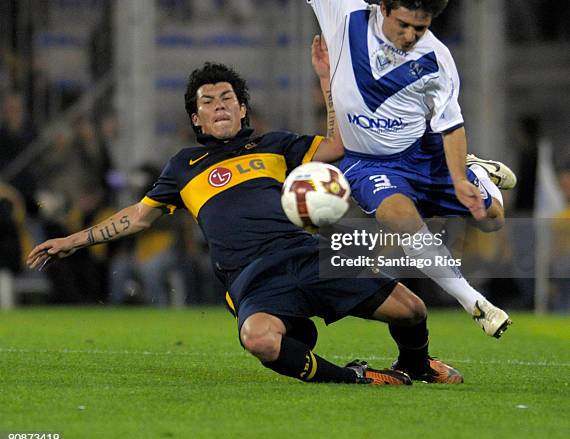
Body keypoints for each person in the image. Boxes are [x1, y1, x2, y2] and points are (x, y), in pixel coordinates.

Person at [28, 39, 463, 385]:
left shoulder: (274, 145)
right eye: (207, 101)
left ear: (241, 109)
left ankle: (418, 365)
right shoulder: (183, 166)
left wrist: (327, 84)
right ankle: (355, 377)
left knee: (412, 309)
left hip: (305, 254)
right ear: (196, 119)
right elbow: (139, 217)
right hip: (251, 276)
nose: (218, 104)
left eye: (227, 98)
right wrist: (73, 239)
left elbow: (334, 147)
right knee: (259, 339)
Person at [229, 0, 516, 338]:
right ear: (383, 7)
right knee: (399, 218)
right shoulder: (344, 13)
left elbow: (450, 126)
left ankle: (474, 169)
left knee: (490, 219)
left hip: (423, 151)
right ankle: (475, 302)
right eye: (403, 23)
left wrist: (457, 174)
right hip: (367, 161)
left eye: (420, 27)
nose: (409, 35)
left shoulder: (438, 59)